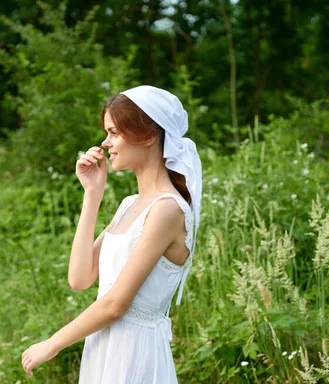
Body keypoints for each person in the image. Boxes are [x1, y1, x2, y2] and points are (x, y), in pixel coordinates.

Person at [21, 85, 202, 383]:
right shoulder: (130, 204)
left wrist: (51, 344)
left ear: (148, 135)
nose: (105, 143)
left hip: (135, 355)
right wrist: (92, 194)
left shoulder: (167, 209)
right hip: (103, 348)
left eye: (114, 133)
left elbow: (115, 304)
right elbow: (80, 278)